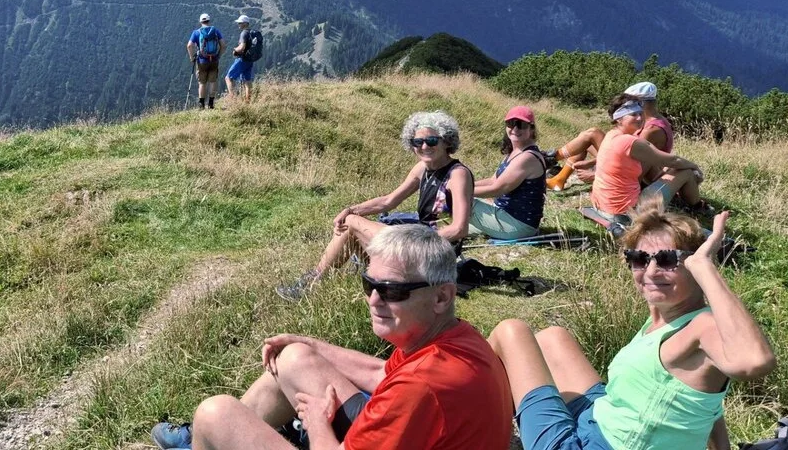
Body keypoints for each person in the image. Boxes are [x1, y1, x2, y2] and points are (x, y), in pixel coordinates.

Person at [152, 225, 514, 450]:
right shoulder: (454, 339)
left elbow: (408, 390)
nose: (374, 300)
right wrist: (310, 344)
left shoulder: (420, 386)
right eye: (369, 284)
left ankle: (208, 438)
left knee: (215, 414)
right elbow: (382, 373)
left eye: (392, 291)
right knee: (295, 357)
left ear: (441, 297)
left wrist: (316, 423)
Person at [488, 204, 775, 450]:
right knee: (553, 337)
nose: (650, 271)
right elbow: (704, 403)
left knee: (511, 331)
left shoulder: (704, 325)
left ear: (694, 264)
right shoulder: (667, 318)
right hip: (603, 416)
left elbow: (755, 361)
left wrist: (704, 266)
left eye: (667, 259)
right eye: (638, 259)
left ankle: (474, 427)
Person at [275, 111, 472, 301]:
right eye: (417, 142)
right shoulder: (423, 168)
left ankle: (312, 282)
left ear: (447, 141)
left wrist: (415, 241)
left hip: (435, 254)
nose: (424, 146)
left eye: (431, 141)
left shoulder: (457, 174)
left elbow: (459, 228)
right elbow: (389, 201)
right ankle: (320, 280)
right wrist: (351, 210)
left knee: (352, 223)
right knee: (352, 224)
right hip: (419, 246)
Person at [589, 94, 709, 236]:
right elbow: (672, 160)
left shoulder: (611, 135)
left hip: (602, 205)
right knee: (686, 171)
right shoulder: (629, 142)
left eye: (641, 113)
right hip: (629, 212)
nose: (639, 118)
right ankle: (696, 206)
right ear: (619, 119)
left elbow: (651, 155)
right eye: (633, 115)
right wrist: (695, 167)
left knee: (669, 169)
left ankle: (688, 202)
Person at [547, 81, 675, 191]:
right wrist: (591, 162)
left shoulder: (651, 130)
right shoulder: (653, 120)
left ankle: (549, 160)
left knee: (592, 134)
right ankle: (558, 176)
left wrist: (596, 174)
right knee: (588, 138)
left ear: (640, 103)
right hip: (633, 166)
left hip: (641, 180)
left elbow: (634, 164)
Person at [470, 106, 547, 240]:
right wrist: (464, 185)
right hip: (505, 216)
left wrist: (459, 191)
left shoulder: (527, 157)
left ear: (531, 128)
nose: (515, 129)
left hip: (518, 225)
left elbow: (497, 189)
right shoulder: (515, 152)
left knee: (458, 200)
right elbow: (493, 180)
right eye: (511, 124)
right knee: (452, 226)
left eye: (521, 125)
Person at [187, 13, 225, 109]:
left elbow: (189, 46)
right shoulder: (215, 31)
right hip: (214, 60)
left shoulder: (196, 32)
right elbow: (223, 45)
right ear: (209, 20)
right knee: (212, 81)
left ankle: (201, 104)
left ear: (200, 21)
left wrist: (192, 57)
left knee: (202, 83)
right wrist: (218, 55)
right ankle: (211, 103)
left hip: (202, 61)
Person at [225, 14, 259, 103]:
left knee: (228, 78)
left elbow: (242, 47)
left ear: (245, 23)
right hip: (250, 60)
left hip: (242, 59)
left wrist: (235, 50)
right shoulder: (252, 33)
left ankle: (233, 100)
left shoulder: (244, 33)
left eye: (240, 23)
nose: (238, 24)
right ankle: (247, 102)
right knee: (247, 81)